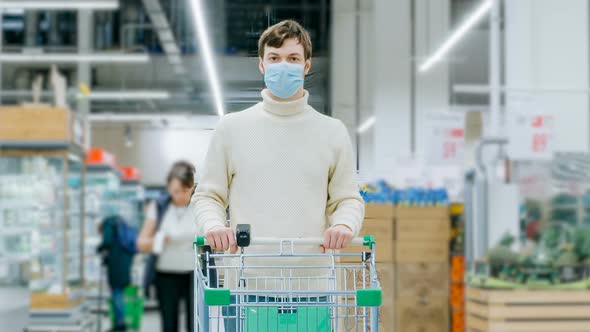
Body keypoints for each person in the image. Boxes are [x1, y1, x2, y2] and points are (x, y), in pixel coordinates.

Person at [191, 20, 365, 330]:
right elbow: (208, 195)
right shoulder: (232, 129)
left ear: (306, 65)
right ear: (261, 64)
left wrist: (343, 224)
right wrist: (214, 225)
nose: (282, 66)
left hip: (314, 288)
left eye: (293, 59)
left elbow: (348, 198)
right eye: (274, 58)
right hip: (247, 287)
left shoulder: (332, 132)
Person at [136, 161, 197, 332]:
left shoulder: (199, 206)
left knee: (196, 323)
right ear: (169, 188)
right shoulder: (158, 207)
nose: (181, 196)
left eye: (186, 190)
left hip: (194, 275)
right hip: (166, 276)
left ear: (192, 187)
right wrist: (159, 240)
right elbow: (141, 243)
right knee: (169, 324)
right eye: (176, 191)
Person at [98, 216, 135, 332]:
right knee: (119, 292)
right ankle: (120, 322)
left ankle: (120, 324)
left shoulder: (108, 224)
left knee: (117, 292)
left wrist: (99, 248)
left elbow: (107, 242)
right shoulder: (121, 224)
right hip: (125, 262)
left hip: (116, 264)